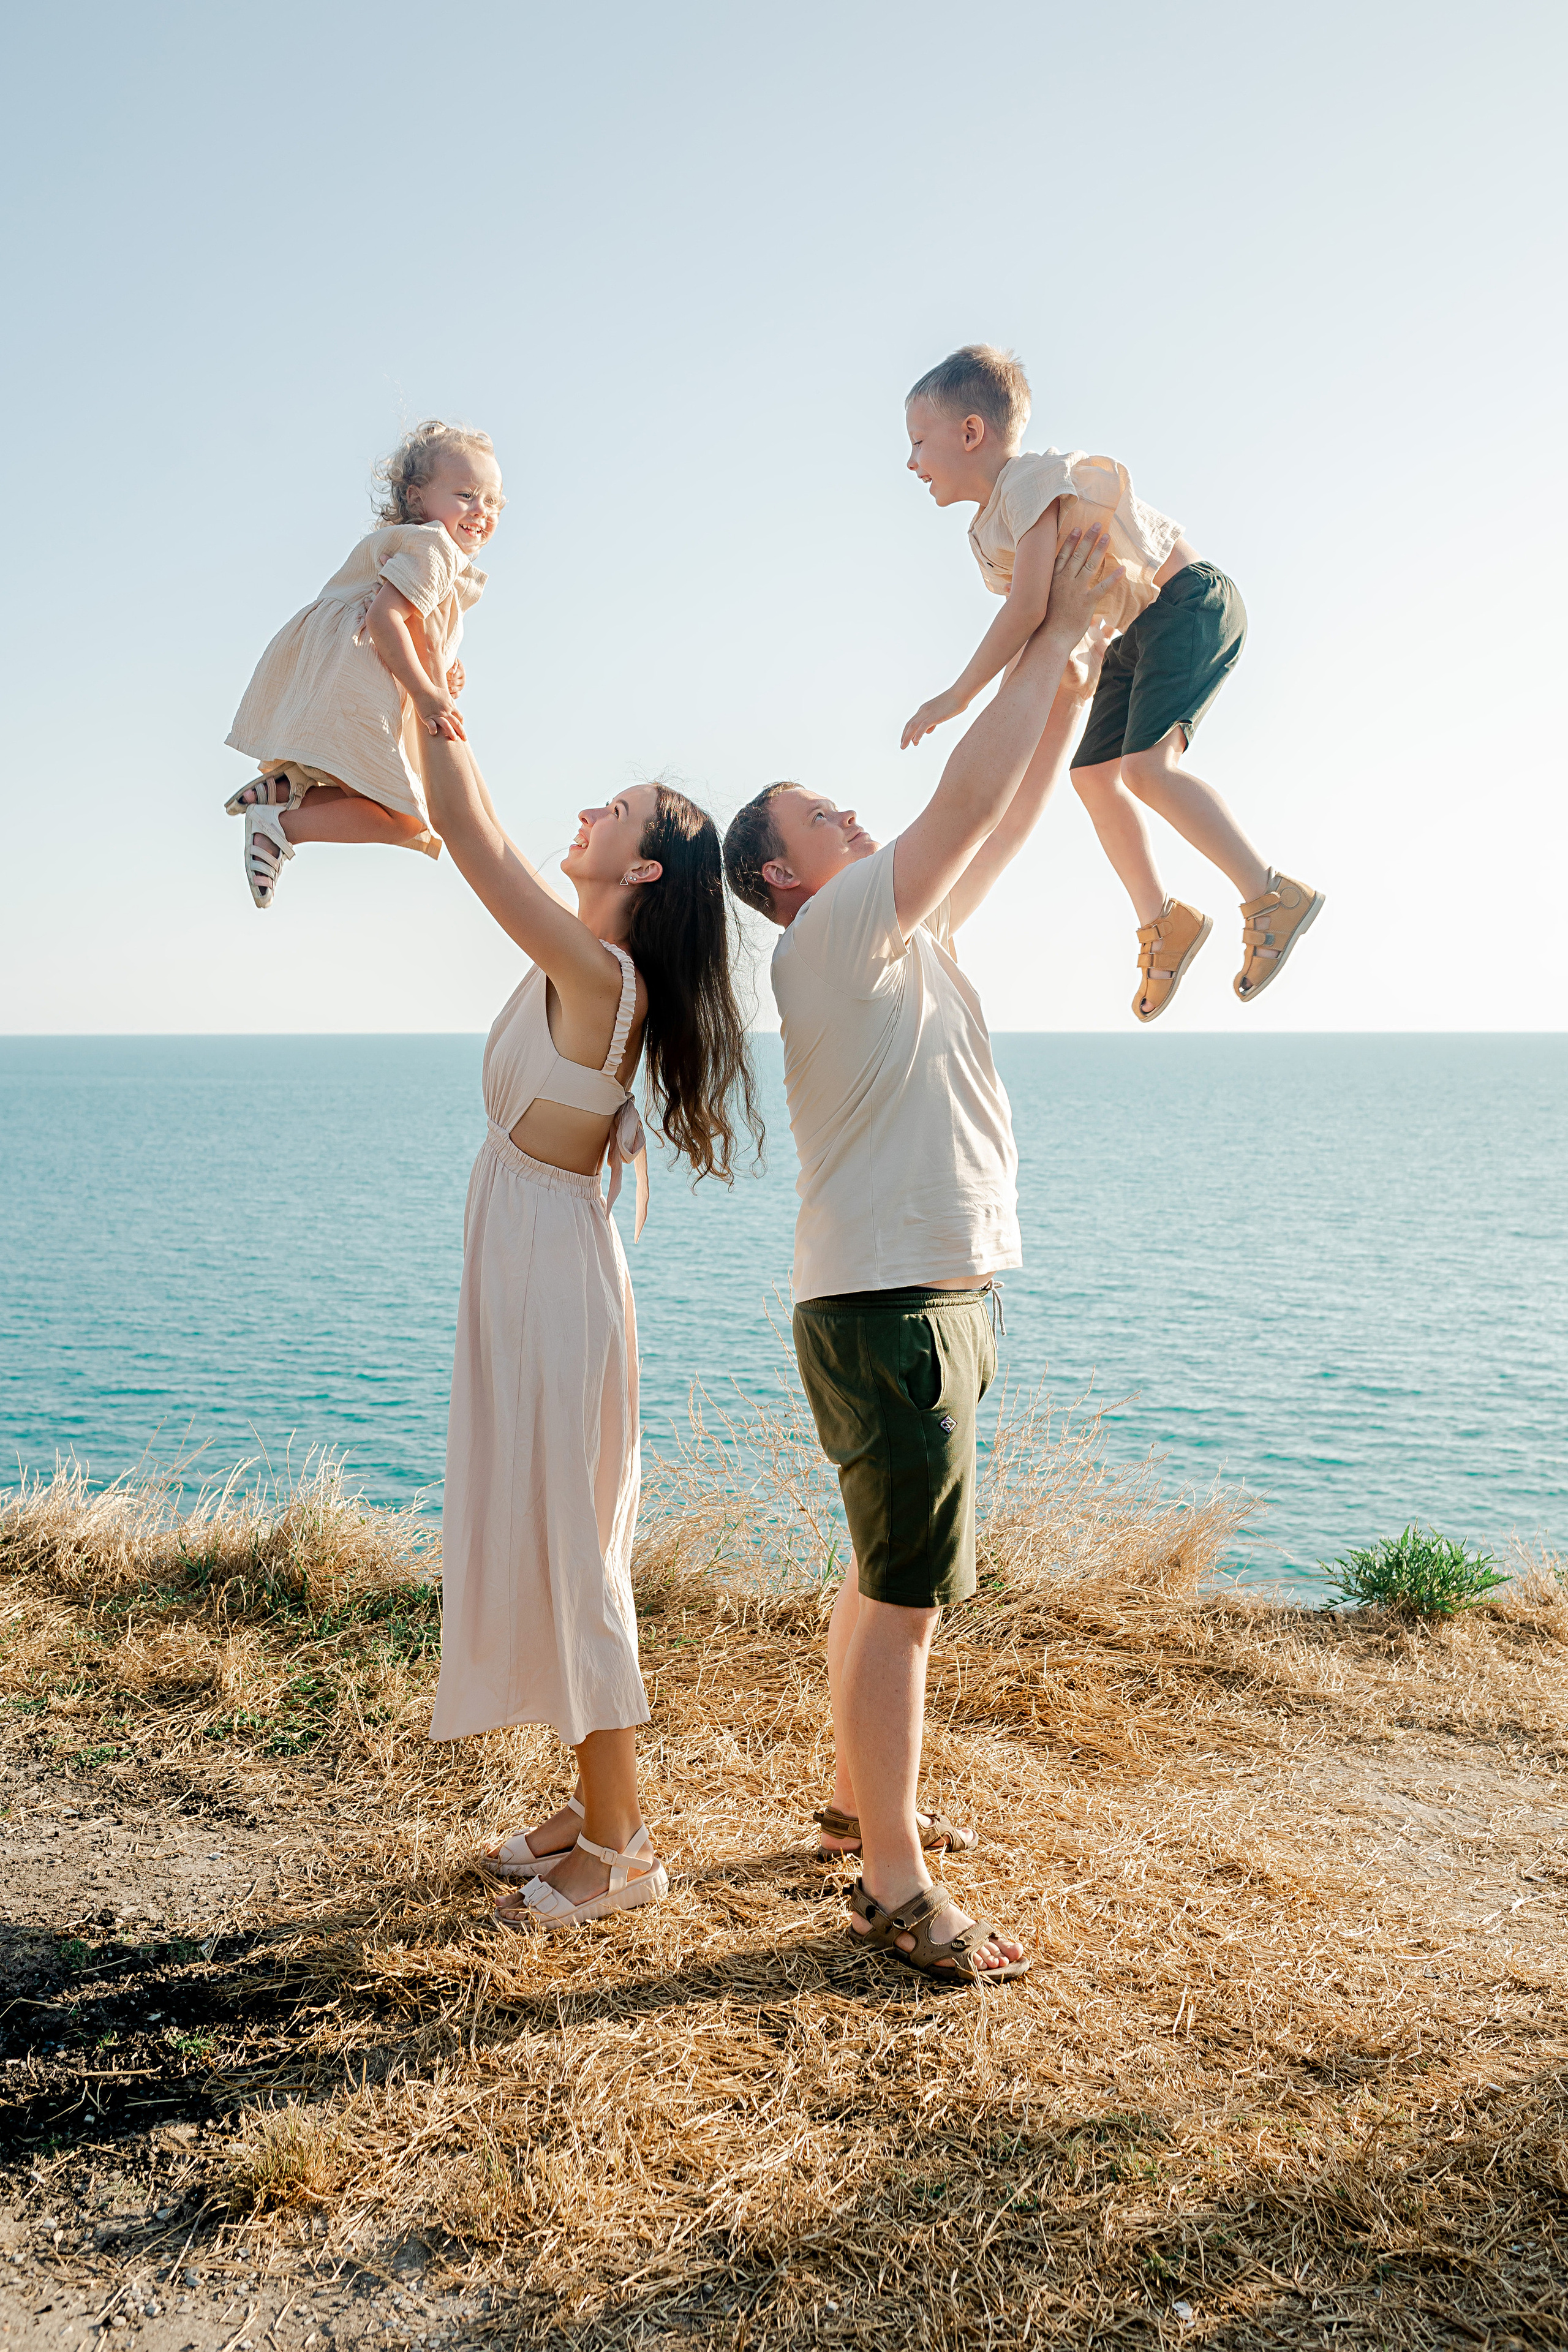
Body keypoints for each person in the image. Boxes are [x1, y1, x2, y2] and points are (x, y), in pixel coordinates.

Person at [722, 526, 1116, 1984]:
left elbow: (1000, 818)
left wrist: (1066, 668)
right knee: (904, 1594)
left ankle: (853, 1804)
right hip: (892, 1302)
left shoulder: (893, 936)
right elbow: (963, 796)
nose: (851, 812)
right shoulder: (827, 937)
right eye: (822, 811)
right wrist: (1056, 617)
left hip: (913, 1289)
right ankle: (892, 1880)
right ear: (781, 874)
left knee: (883, 1572)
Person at [421, 729, 761, 1929]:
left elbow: (472, 835)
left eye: (609, 808)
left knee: (576, 1551)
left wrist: (428, 696)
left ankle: (619, 1851)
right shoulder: (587, 968)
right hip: (531, 1268)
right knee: (550, 1534)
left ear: (645, 869)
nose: (583, 813)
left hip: (551, 1284)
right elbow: (456, 834)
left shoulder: (597, 977)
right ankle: (591, 1803)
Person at [902, 344, 1324, 1021]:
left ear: (970, 433)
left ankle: (1270, 893)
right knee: (1094, 776)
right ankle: (1163, 921)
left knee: (1147, 770)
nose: (911, 462)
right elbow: (1048, 630)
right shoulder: (992, 525)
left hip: (1188, 603)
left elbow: (1032, 609)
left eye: (918, 442)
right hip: (1143, 631)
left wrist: (956, 697)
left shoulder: (1027, 483)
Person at [224, 420, 503, 908]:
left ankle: (291, 787)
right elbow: (384, 617)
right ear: (418, 499)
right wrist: (424, 692)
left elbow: (405, 624)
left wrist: (444, 673)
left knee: (373, 795)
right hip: (358, 664)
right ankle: (283, 821)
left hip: (331, 658)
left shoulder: (417, 545)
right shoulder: (435, 546)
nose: (481, 510)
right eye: (465, 494)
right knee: (409, 818)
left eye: (493, 501)